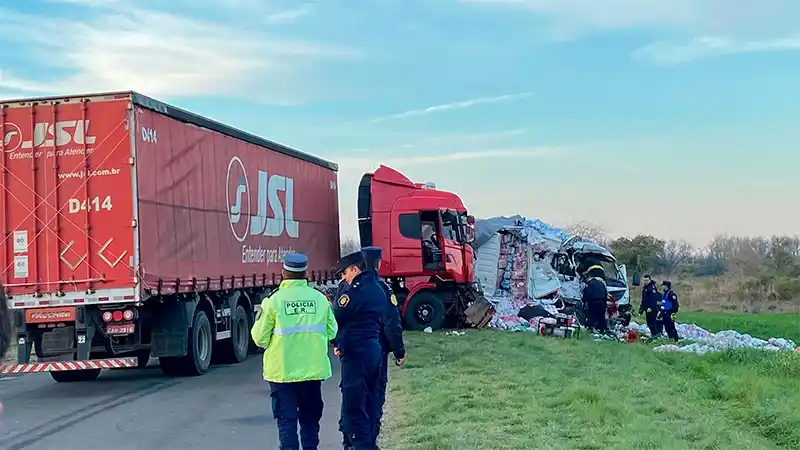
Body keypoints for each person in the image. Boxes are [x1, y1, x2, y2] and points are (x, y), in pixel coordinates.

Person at [250, 253, 339, 450]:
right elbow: (333, 331)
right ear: (305, 273)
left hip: (282, 373)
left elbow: (259, 338)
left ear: (283, 273)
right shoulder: (319, 299)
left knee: (286, 422)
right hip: (312, 372)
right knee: (310, 421)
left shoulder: (273, 301)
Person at [333, 251, 385, 450]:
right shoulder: (379, 289)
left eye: (345, 272)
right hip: (373, 350)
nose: (343, 277)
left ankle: (360, 445)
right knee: (370, 400)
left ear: (355, 269)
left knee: (354, 405)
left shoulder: (352, 292)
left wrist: (338, 343)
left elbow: (336, 318)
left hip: (355, 353)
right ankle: (369, 442)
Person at [361, 246, 405, 448]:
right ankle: (370, 442)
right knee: (375, 395)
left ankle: (353, 442)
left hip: (354, 353)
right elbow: (391, 323)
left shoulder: (349, 288)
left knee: (355, 398)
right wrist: (399, 351)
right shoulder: (383, 289)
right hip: (377, 350)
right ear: (377, 263)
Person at [582, 265, 609, 334]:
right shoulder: (602, 284)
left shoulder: (590, 283)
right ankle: (602, 330)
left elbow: (587, 293)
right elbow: (605, 294)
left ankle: (590, 328)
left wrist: (584, 302)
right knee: (601, 317)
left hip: (593, 302)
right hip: (602, 302)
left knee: (591, 315)